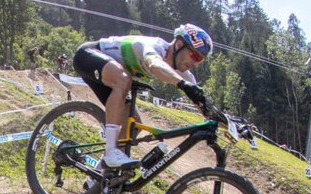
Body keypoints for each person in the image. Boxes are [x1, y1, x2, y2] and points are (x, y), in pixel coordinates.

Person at [73, 23, 214, 168]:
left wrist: (229, 124)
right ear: (179, 44)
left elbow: (203, 103)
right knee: (124, 79)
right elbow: (154, 65)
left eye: (200, 60)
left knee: (133, 124)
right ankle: (110, 152)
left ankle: (98, 175)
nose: (196, 64)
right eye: (195, 56)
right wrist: (183, 85)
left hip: (109, 76)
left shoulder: (183, 73)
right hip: (87, 55)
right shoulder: (155, 46)